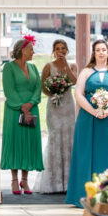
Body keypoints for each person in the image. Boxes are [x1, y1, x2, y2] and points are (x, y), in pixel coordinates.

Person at [66, 40, 108, 207]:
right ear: (94, 53)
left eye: (104, 49)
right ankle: (84, 195)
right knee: (87, 153)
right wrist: (93, 110)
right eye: (98, 50)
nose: (101, 52)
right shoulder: (86, 72)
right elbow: (79, 94)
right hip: (89, 119)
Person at [0, 36, 43, 195]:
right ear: (22, 50)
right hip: (14, 110)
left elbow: (37, 88)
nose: (33, 52)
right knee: (15, 144)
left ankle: (25, 180)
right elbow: (9, 90)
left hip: (32, 111)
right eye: (31, 49)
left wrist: (30, 105)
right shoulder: (9, 68)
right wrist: (23, 108)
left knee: (28, 144)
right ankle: (13, 180)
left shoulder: (33, 68)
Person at [34, 39, 77, 194]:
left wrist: (65, 64)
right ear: (53, 50)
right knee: (55, 138)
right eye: (58, 48)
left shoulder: (72, 65)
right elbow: (43, 86)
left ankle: (68, 183)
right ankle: (53, 182)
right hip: (54, 106)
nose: (61, 51)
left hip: (68, 106)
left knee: (68, 138)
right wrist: (53, 94)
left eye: (63, 48)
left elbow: (74, 81)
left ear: (67, 50)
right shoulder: (48, 66)